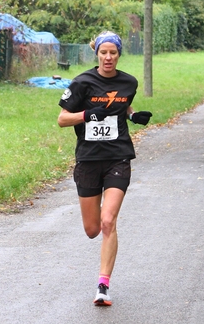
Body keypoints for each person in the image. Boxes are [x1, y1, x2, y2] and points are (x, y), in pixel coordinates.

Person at [57, 31, 152, 306]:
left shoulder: (128, 82)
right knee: (92, 229)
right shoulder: (82, 83)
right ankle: (102, 271)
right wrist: (87, 115)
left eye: (113, 53)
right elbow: (62, 119)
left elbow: (122, 103)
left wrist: (133, 115)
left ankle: (103, 286)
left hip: (118, 157)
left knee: (108, 221)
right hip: (88, 160)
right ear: (96, 53)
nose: (108, 57)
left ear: (119, 54)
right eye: (104, 52)